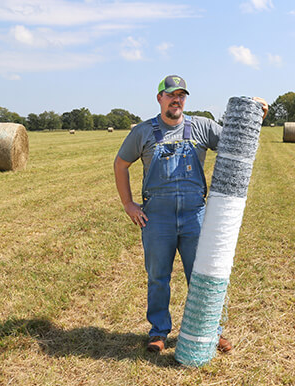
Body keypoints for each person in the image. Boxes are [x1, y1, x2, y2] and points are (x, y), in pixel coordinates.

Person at [113, 74, 267, 353]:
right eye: (171, 95)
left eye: (181, 95)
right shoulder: (143, 132)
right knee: (158, 277)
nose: (177, 100)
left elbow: (237, 141)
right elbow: (120, 164)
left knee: (202, 277)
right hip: (157, 218)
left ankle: (211, 331)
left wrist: (255, 115)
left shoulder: (202, 126)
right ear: (159, 98)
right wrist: (128, 204)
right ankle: (159, 332)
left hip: (194, 216)